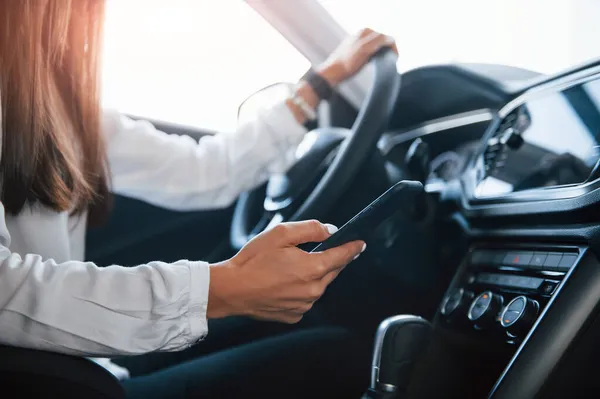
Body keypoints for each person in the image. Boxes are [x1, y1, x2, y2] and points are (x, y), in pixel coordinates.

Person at [0, 1, 397, 398]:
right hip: (44, 381)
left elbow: (207, 171)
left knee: (312, 328)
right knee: (340, 355)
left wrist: (318, 85)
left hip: (77, 363)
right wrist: (220, 289)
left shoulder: (61, 108)